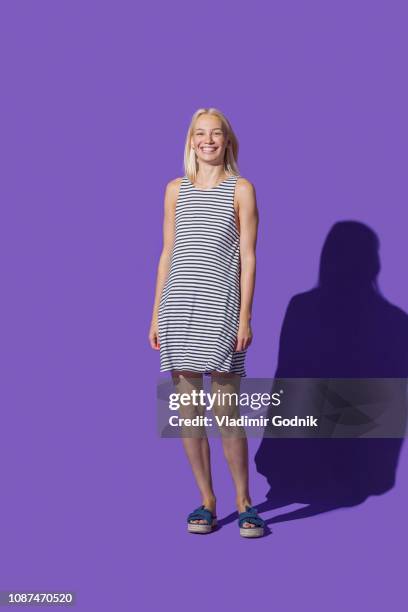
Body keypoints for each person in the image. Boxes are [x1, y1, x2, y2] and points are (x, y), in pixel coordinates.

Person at [149, 108, 265, 537]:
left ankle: (244, 502)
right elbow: (166, 253)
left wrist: (245, 316)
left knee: (227, 411)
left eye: (216, 134)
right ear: (191, 141)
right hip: (179, 307)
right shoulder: (174, 190)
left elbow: (249, 258)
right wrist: (156, 311)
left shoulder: (242, 190)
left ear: (228, 142)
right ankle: (207, 500)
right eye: (201, 133)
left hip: (222, 308)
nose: (208, 140)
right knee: (188, 412)